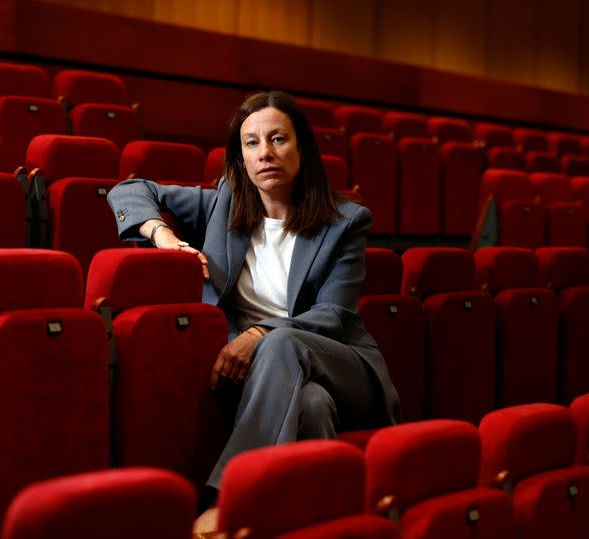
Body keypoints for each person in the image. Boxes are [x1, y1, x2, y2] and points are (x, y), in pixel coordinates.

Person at [107, 91, 400, 535]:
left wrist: (262, 331)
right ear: (240, 156)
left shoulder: (346, 221)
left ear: (302, 148)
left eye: (278, 139)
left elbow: (334, 315)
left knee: (286, 345)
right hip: (269, 375)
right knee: (312, 406)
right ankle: (312, 520)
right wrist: (161, 234)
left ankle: (225, 501)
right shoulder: (224, 203)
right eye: (251, 143)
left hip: (340, 364)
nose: (264, 152)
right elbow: (129, 189)